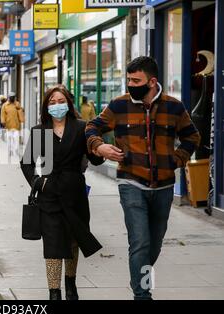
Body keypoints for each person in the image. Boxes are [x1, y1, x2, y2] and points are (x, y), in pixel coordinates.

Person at [86, 56, 201, 300]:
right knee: (140, 241)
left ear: (152, 81)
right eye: (128, 79)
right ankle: (142, 294)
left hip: (164, 186)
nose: (131, 84)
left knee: (154, 243)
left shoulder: (174, 107)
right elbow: (92, 127)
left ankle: (139, 277)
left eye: (136, 80)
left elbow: (192, 137)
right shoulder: (119, 106)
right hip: (131, 182)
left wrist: (176, 160)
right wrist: (100, 147)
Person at [21, 85, 104, 300]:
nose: (56, 105)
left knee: (73, 240)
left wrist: (100, 150)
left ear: (68, 104)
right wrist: (39, 183)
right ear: (46, 106)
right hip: (49, 196)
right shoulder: (39, 131)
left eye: (60, 101)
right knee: (52, 243)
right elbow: (27, 163)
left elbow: (94, 158)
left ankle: (71, 285)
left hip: (75, 194)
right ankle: (54, 292)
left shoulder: (81, 128)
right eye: (52, 102)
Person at [1, 92, 24, 156]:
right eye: (11, 97)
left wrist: (19, 108)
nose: (12, 98)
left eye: (13, 97)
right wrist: (3, 122)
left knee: (16, 138)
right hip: (8, 125)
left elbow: (20, 113)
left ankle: (16, 150)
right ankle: (10, 150)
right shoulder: (5, 105)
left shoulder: (17, 104)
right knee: (9, 138)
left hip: (16, 125)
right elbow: (2, 114)